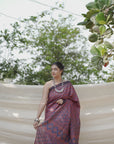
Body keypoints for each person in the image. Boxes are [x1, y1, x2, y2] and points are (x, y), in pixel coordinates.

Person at [33, 62, 80, 144]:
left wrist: (65, 101)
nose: (53, 71)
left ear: (61, 71)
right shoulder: (48, 85)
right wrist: (37, 118)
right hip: (51, 116)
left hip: (64, 119)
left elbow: (75, 101)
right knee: (44, 132)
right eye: (52, 69)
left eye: (55, 69)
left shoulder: (67, 84)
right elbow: (43, 101)